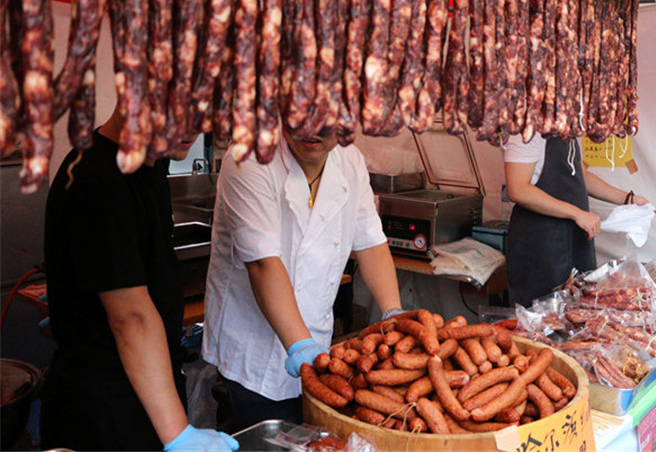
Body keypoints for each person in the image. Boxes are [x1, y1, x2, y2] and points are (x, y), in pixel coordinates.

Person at [41, 109, 238, 451]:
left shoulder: (150, 162)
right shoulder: (97, 179)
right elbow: (130, 317)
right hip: (104, 408)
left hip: (143, 387)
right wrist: (179, 434)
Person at [202, 126, 403, 431]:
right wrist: (300, 347)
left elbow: (371, 243)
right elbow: (263, 264)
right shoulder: (250, 158)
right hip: (253, 350)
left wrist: (393, 313)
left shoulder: (350, 161)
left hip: (315, 339)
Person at [503, 135, 651, 306]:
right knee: (541, 317)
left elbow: (581, 175)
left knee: (579, 307)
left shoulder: (565, 129)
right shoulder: (526, 133)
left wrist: (628, 199)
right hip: (541, 241)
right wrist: (577, 214)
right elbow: (518, 189)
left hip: (575, 237)